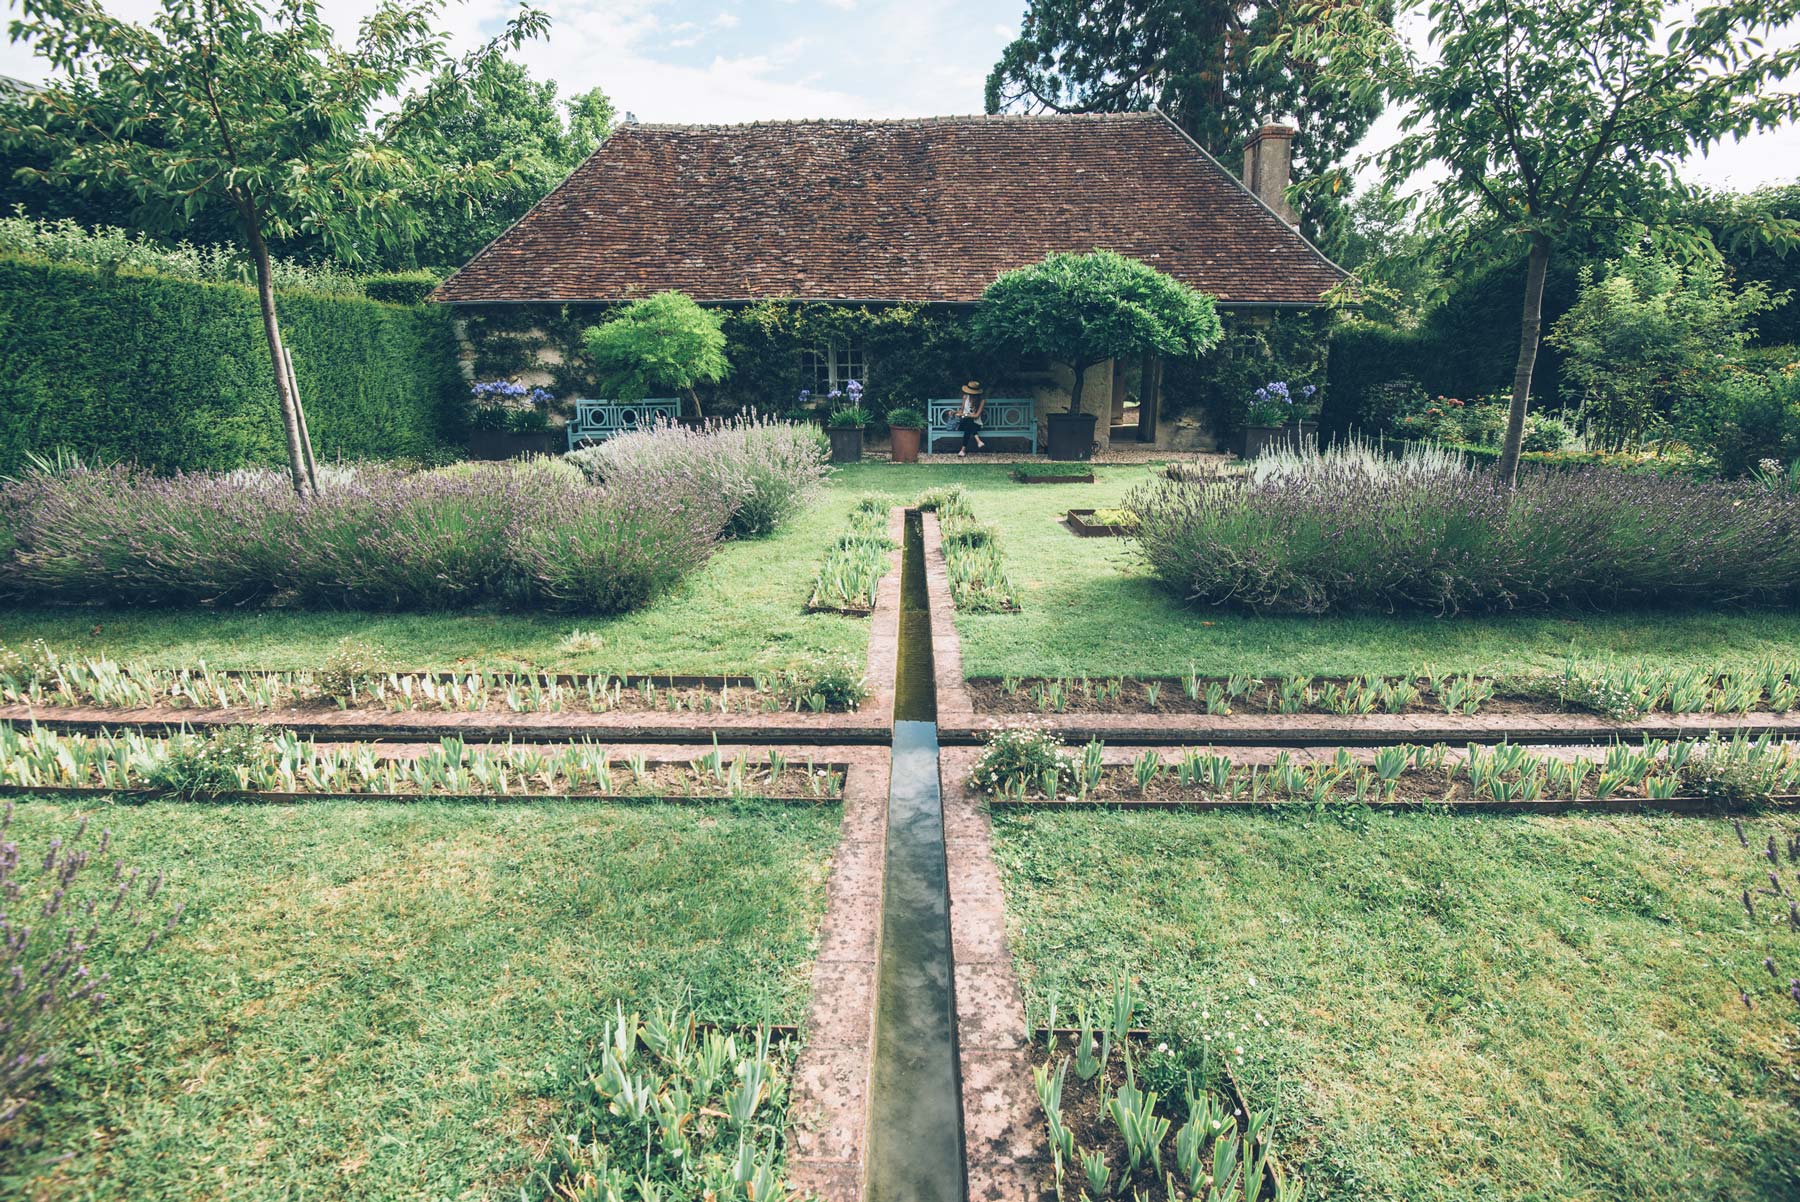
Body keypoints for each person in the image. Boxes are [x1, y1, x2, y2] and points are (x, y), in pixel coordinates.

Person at [956, 380, 987, 456]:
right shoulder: (965, 397)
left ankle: (963, 450)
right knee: (968, 421)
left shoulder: (982, 401)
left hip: (976, 424)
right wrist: (955, 412)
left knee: (969, 424)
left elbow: (976, 416)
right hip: (964, 423)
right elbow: (962, 410)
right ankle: (978, 440)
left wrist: (965, 414)